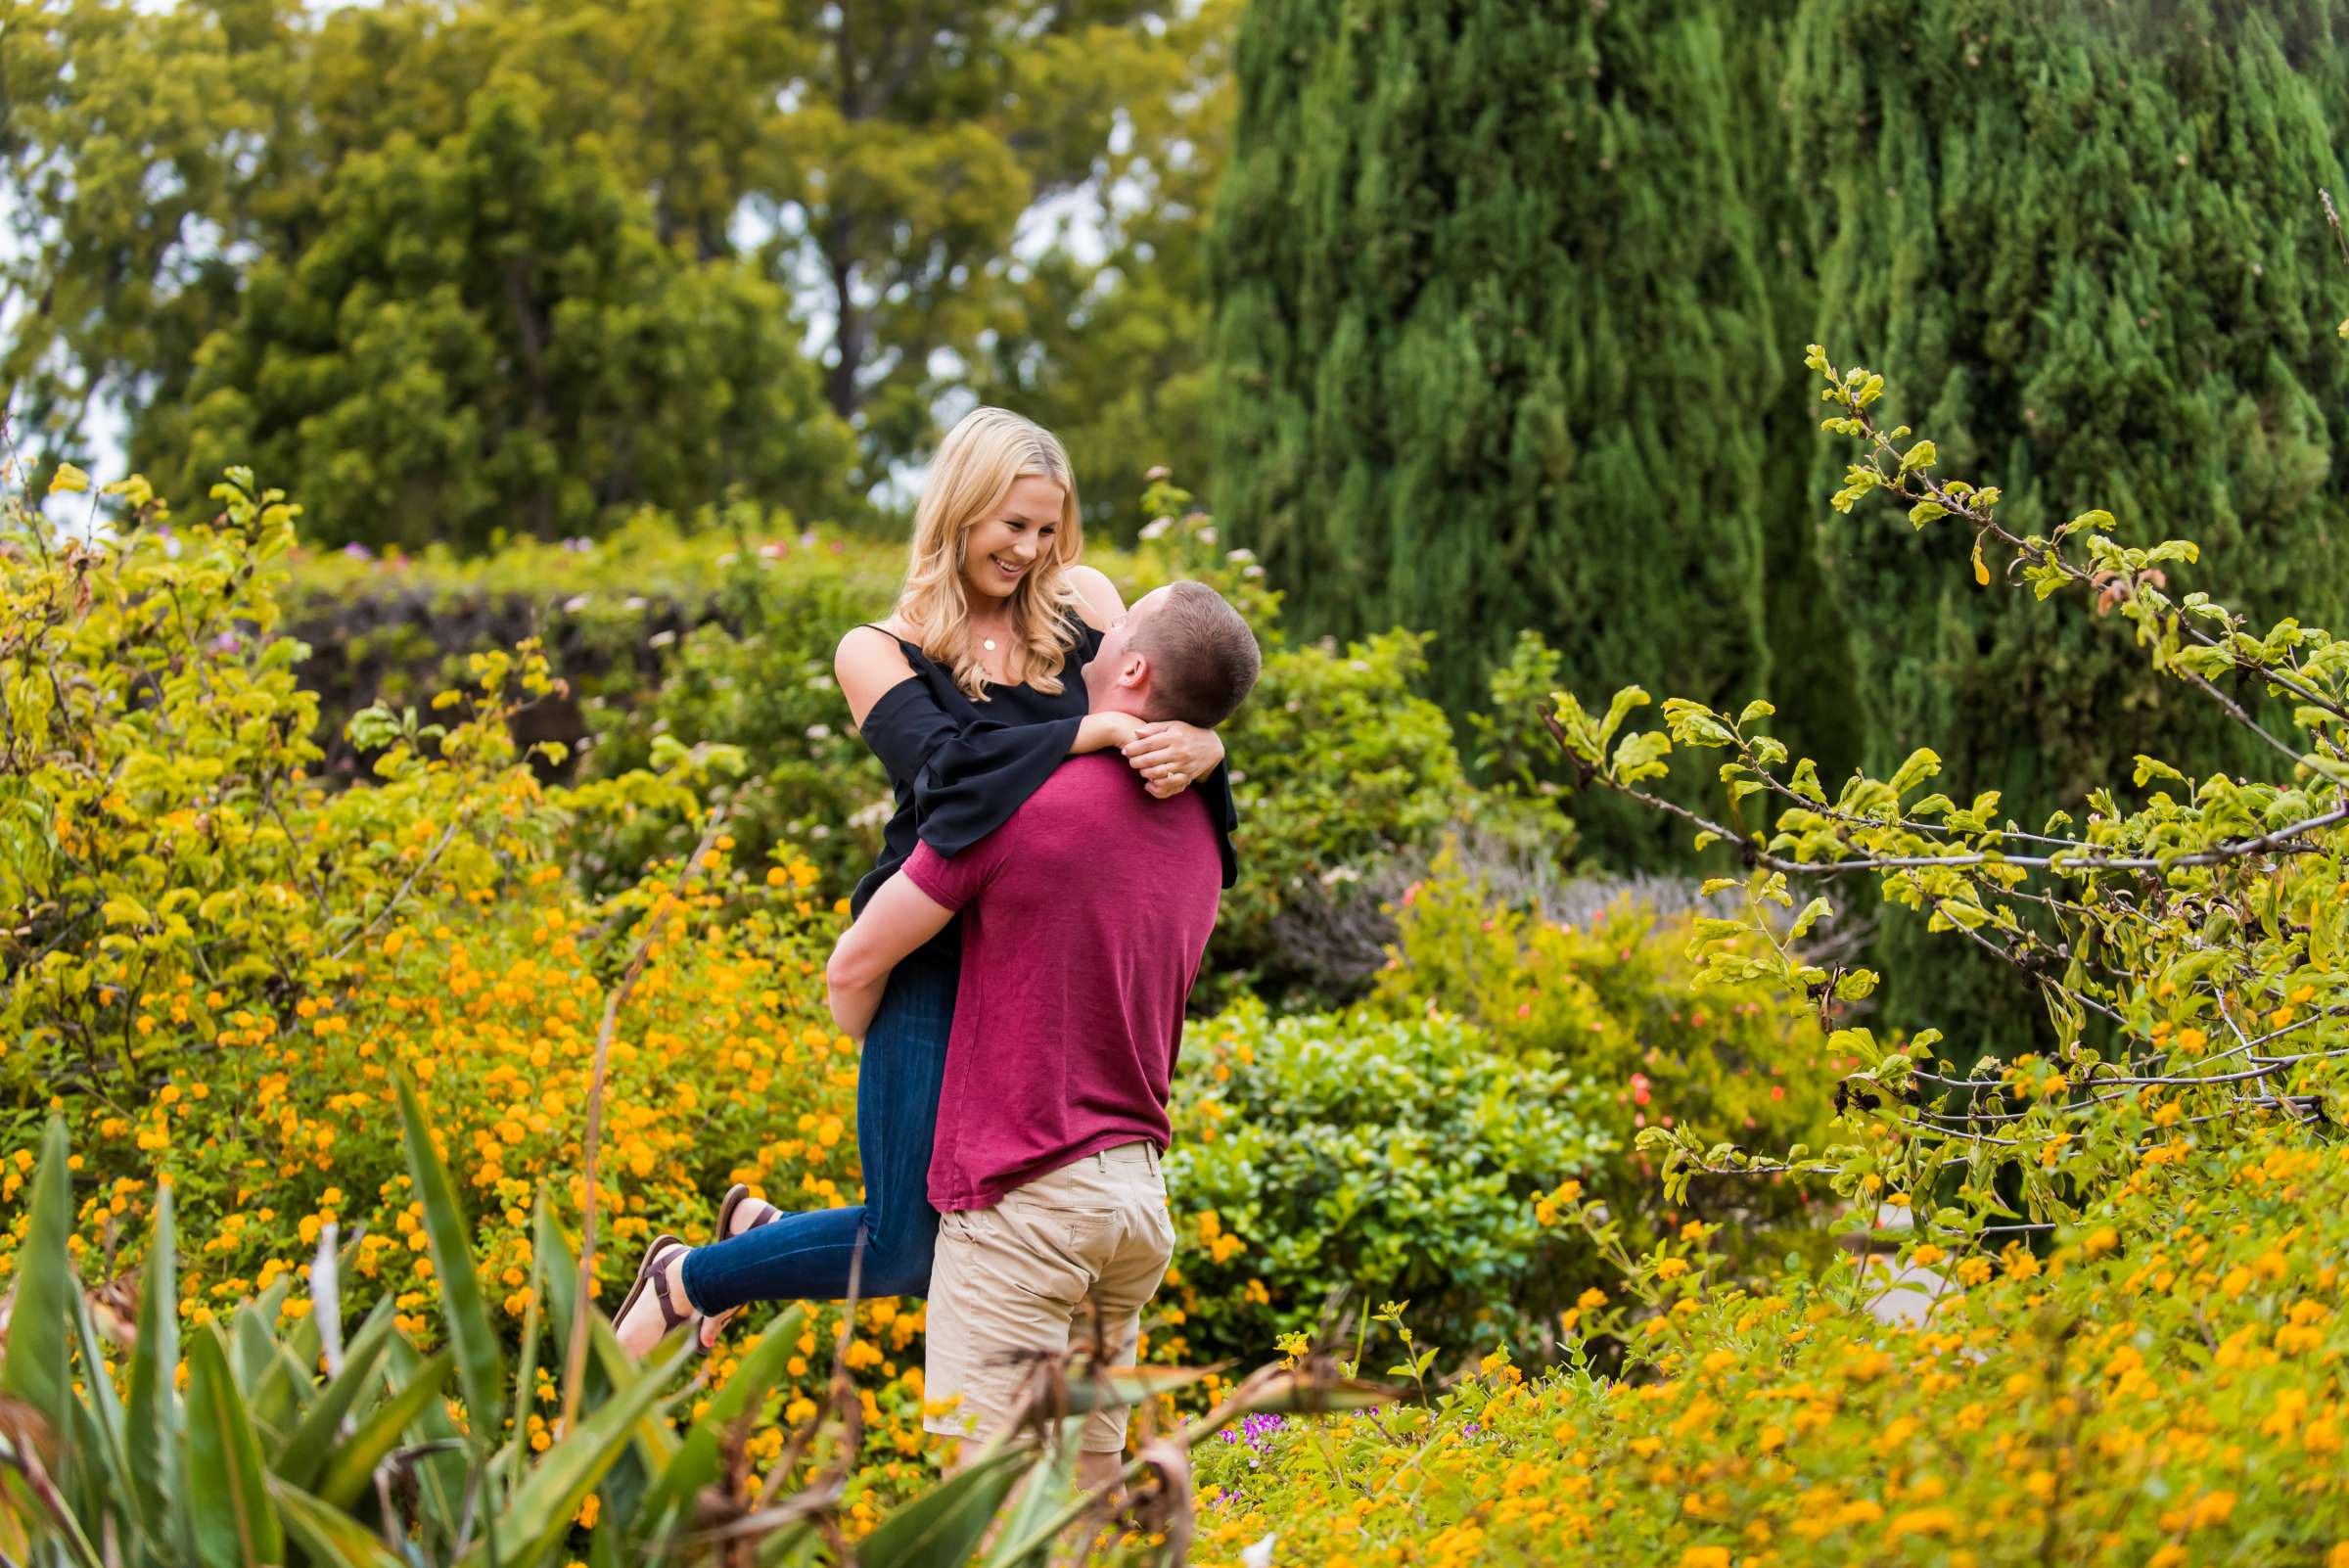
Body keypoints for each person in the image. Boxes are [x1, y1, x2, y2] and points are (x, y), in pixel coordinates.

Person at [612, 410, 1237, 1355]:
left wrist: (1206, 741)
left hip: (1042, 949)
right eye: (1010, 526)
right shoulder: (879, 650)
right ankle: (687, 1279)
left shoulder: (1086, 602)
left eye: (1044, 528)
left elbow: (1167, 695)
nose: (1029, 550)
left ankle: (754, 1243)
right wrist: (1084, 734)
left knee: (1006, 1214)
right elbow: (949, 778)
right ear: (959, 510)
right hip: (932, 944)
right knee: (905, 1248)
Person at [828, 580, 1260, 1488]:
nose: (1093, 632)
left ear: (1133, 667)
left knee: (985, 1506)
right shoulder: (1205, 836)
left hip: (1026, 1203)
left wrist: (864, 1030)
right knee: (1090, 1503)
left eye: (1119, 623)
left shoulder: (1027, 809)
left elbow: (855, 963)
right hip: (1135, 1206)